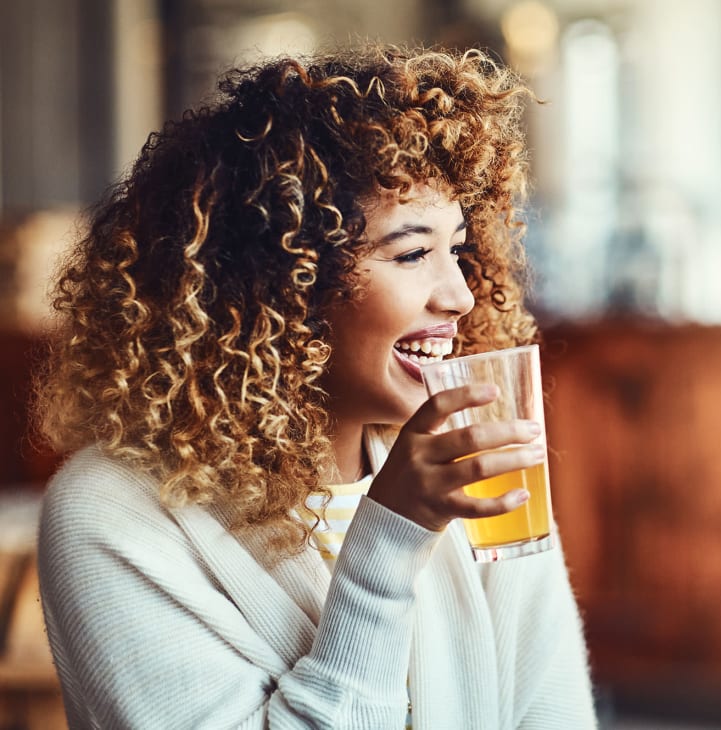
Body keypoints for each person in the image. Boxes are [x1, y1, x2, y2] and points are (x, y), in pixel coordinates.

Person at [34, 43, 597, 728]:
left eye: (458, 249)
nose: (460, 296)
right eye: (413, 253)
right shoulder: (113, 515)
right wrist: (387, 542)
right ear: (281, 287)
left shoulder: (467, 464)